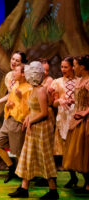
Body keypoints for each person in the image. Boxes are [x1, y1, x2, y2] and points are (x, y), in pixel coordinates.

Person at [9, 61, 58, 199]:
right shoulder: (34, 88)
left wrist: (31, 120)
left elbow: (44, 113)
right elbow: (33, 108)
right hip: (34, 126)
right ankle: (24, 188)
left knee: (44, 156)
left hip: (42, 127)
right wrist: (27, 118)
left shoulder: (41, 90)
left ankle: (53, 191)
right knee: (28, 155)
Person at [0, 64, 32, 183]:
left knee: (18, 151)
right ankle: (11, 167)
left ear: (23, 74)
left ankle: (24, 176)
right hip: (8, 119)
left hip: (18, 121)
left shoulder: (29, 88)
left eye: (16, 71)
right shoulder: (15, 86)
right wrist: (7, 106)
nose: (13, 73)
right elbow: (10, 101)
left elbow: (29, 109)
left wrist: (21, 98)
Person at [49, 57, 78, 188]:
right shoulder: (57, 82)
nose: (63, 70)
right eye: (61, 67)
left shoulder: (80, 81)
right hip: (64, 118)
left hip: (77, 117)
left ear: (73, 67)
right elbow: (53, 103)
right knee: (66, 149)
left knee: (78, 148)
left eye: (66, 67)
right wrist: (59, 101)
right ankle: (73, 177)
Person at [63, 55, 89, 194]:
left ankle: (88, 185)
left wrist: (85, 113)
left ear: (83, 67)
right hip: (77, 120)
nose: (74, 68)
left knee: (84, 153)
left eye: (75, 65)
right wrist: (72, 100)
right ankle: (86, 182)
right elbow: (81, 98)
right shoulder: (81, 80)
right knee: (77, 153)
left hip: (85, 121)